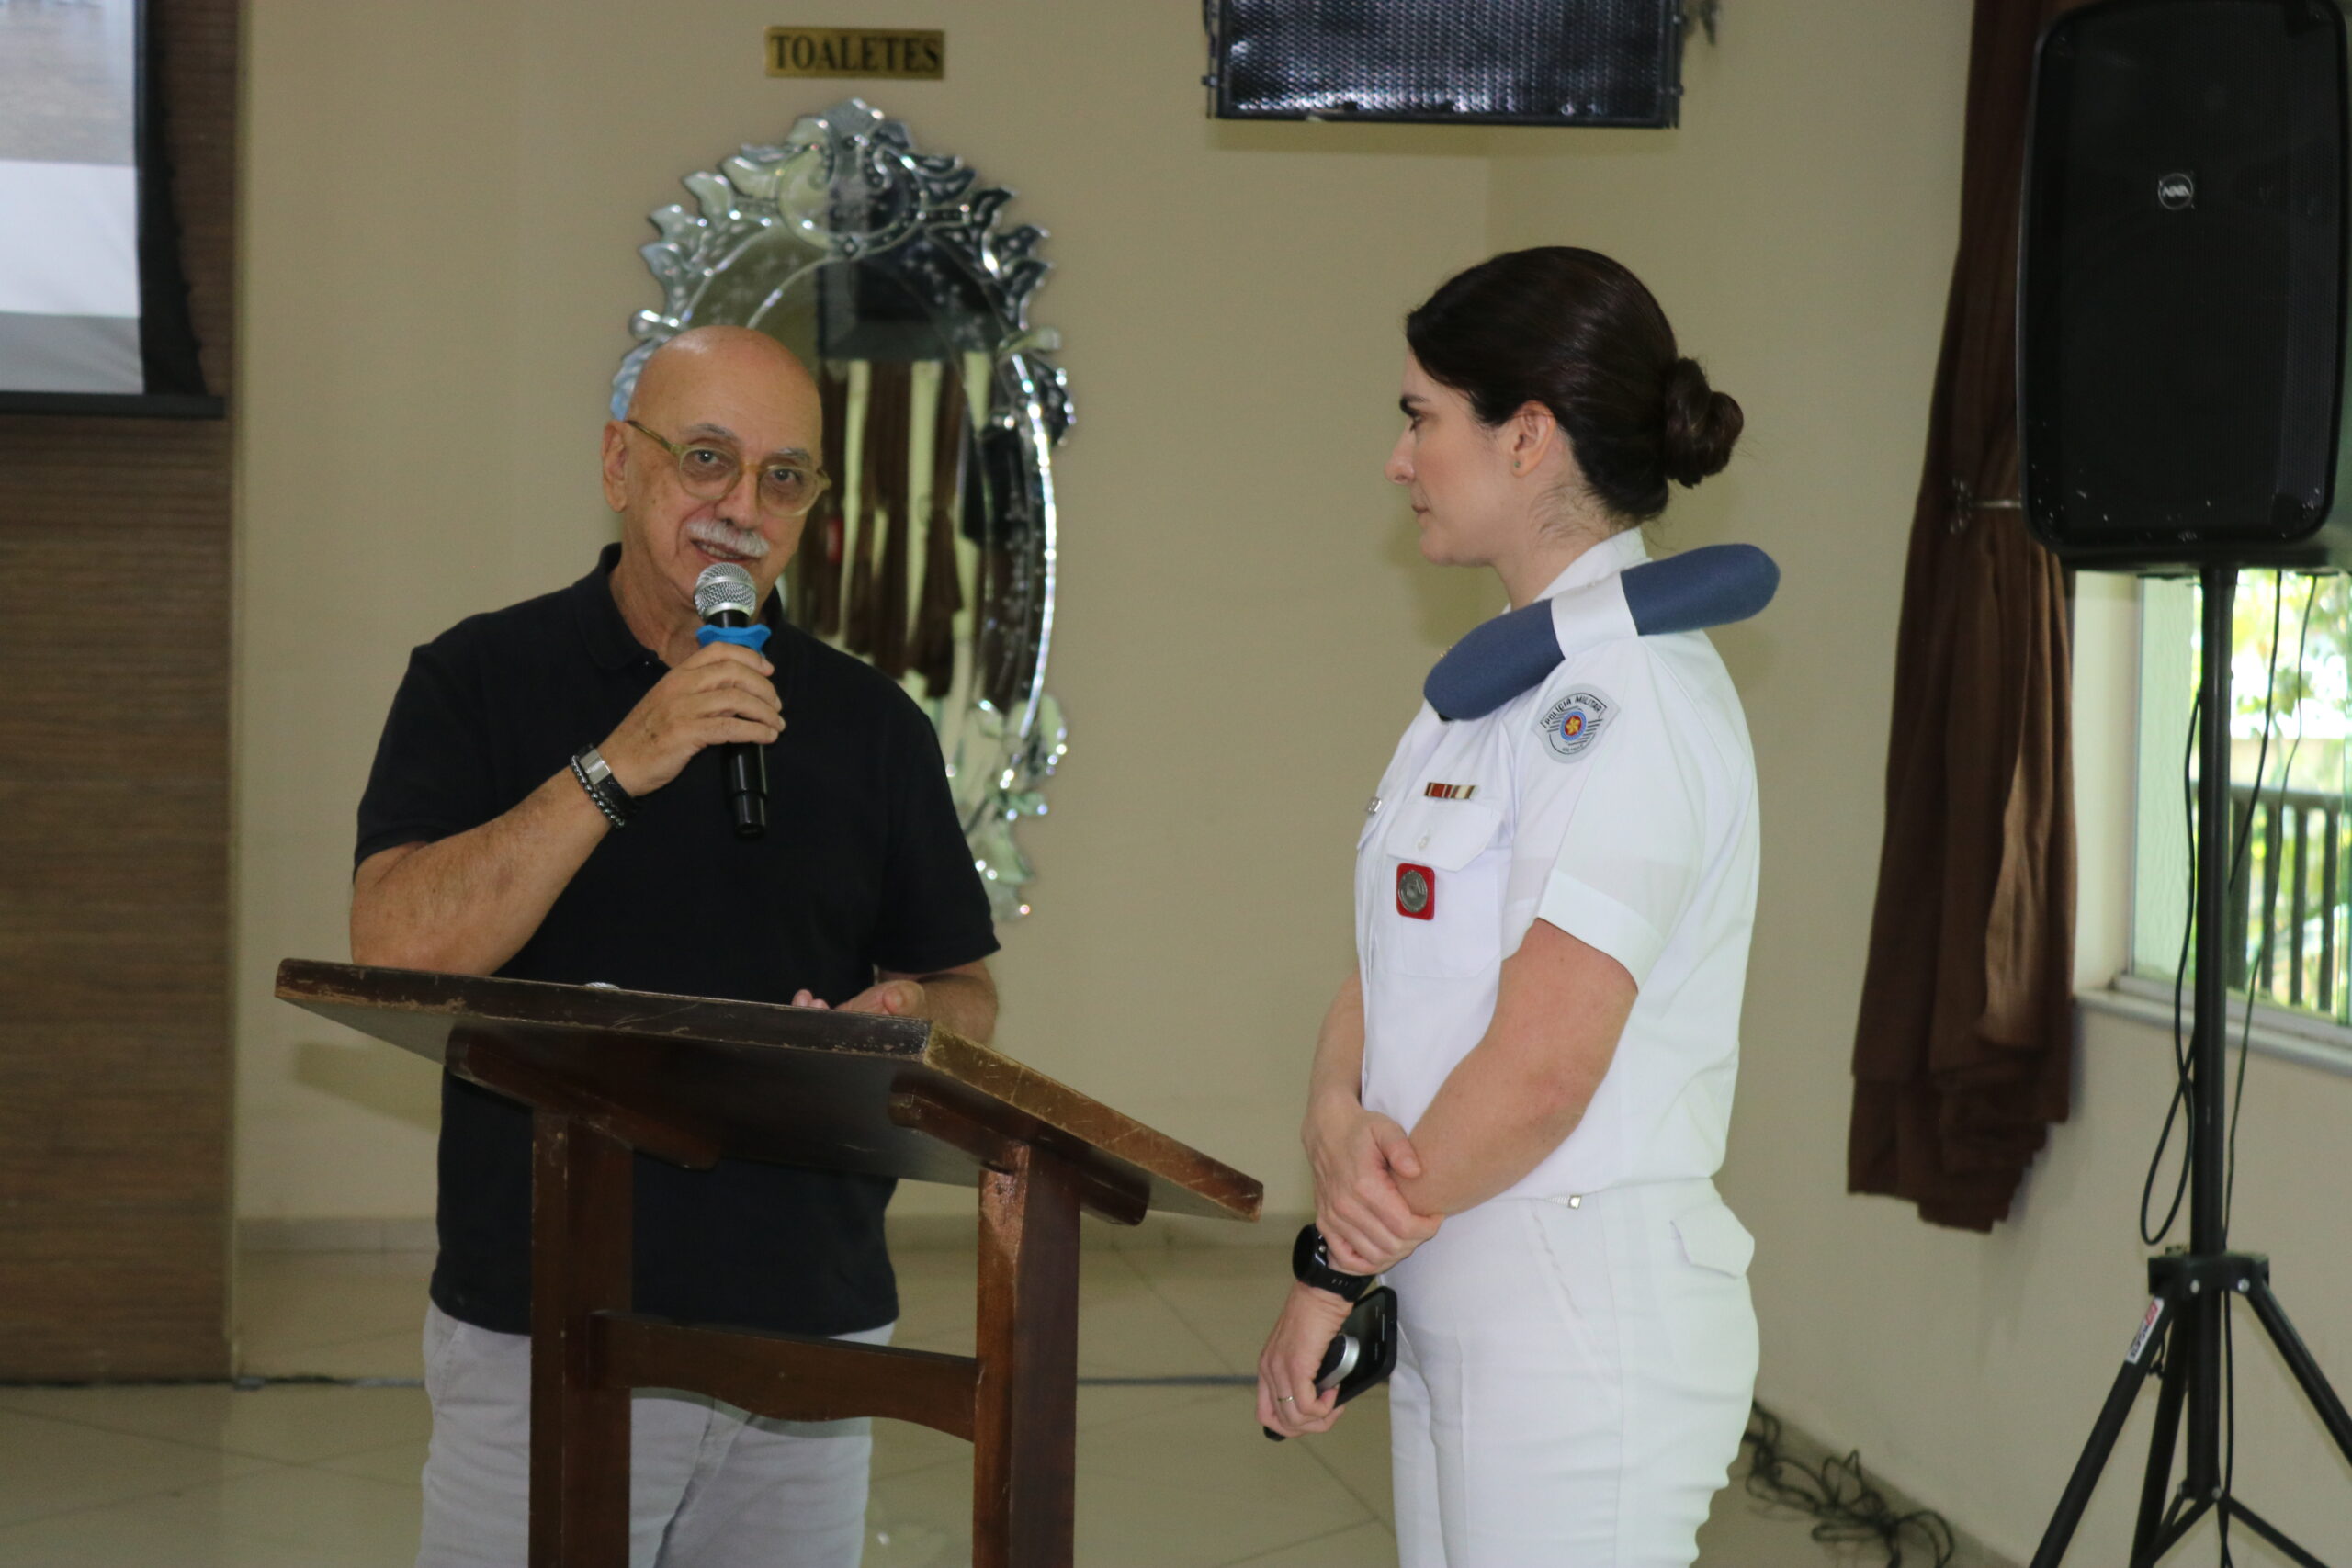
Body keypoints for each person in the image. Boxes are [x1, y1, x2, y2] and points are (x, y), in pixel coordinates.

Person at [349, 325, 1001, 1568]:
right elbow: (393, 943)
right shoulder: (480, 676)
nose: (742, 507)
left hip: (807, 1320)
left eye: (783, 477)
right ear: (619, 463)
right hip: (549, 1306)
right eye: (707, 458)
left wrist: (907, 1019)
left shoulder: (871, 724)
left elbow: (964, 990)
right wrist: (618, 764)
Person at [1255, 248, 1761, 1567]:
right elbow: (1397, 961)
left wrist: (1335, 1265)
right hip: (1459, 1274)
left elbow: (1542, 1070)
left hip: (1573, 1307)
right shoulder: (1487, 691)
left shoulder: (1632, 701)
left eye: (1421, 417)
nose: (1398, 459)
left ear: (1527, 437)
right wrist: (1332, 1117)